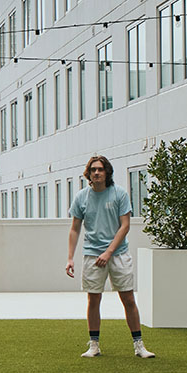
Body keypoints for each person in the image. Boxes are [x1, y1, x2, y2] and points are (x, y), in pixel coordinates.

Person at [65, 154, 155, 360]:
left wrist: (108, 252)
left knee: (129, 299)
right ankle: (94, 345)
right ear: (89, 173)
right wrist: (70, 258)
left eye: (100, 169)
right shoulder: (81, 197)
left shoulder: (119, 194)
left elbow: (125, 226)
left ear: (107, 173)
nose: (97, 173)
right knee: (93, 299)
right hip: (91, 255)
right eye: (93, 170)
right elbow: (74, 230)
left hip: (118, 254)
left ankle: (139, 345)